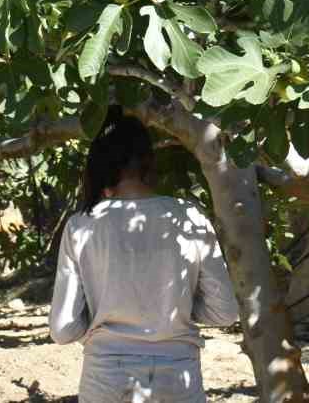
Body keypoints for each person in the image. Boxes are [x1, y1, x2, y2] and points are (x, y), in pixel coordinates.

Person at [48, 107, 240, 403]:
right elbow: (225, 312)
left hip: (106, 379)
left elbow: (63, 329)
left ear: (100, 165)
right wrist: (178, 305)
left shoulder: (81, 225)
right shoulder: (189, 216)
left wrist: (103, 317)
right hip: (178, 380)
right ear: (150, 161)